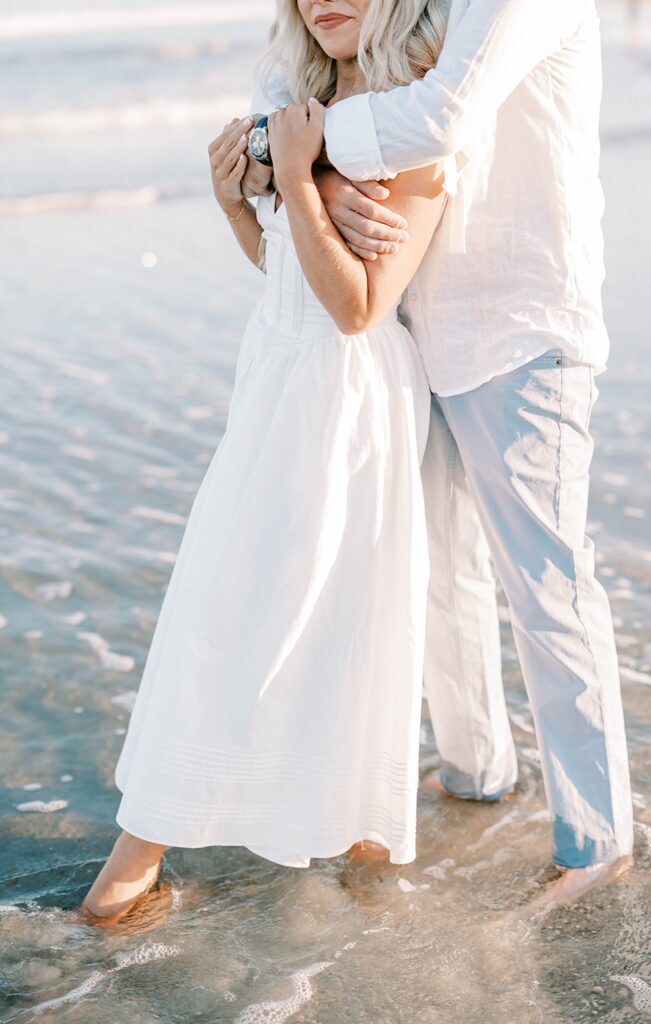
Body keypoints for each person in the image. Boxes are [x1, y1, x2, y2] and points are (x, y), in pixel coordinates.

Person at [244, 0, 635, 911]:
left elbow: (440, 114)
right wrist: (284, 151)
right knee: (442, 576)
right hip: (417, 325)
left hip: (519, 322)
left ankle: (598, 840)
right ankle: (474, 770)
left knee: (545, 585)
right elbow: (285, 84)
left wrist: (298, 156)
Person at [80, 0, 454, 923]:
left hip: (345, 394)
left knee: (309, 610)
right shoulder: (301, 105)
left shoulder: (412, 120)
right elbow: (285, 268)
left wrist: (293, 174)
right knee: (230, 602)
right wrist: (235, 201)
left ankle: (188, 849)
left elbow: (357, 307)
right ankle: (312, 833)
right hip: (275, 376)